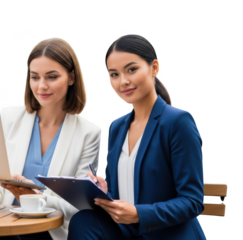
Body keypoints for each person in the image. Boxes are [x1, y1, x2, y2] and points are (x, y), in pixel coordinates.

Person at [0, 37, 102, 240]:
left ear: (71, 78)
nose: (41, 86)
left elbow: (79, 206)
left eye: (51, 77)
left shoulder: (88, 133)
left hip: (47, 232)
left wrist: (35, 199)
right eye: (35, 77)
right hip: (2, 225)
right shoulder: (7, 118)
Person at [67, 34, 206, 240]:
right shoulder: (117, 126)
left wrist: (139, 214)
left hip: (166, 235)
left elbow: (192, 201)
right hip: (128, 233)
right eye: (114, 74)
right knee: (83, 220)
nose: (123, 81)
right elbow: (123, 195)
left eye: (132, 69)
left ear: (154, 68)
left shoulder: (178, 122)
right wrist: (104, 192)